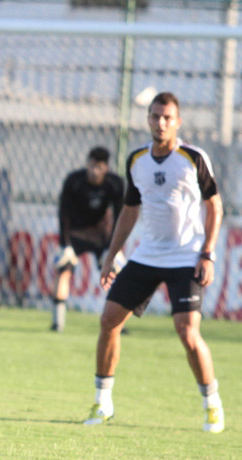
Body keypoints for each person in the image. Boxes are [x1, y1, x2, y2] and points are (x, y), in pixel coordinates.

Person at [83, 92, 225, 433]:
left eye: (167, 118)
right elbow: (130, 211)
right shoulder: (136, 161)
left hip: (186, 257)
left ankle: (212, 404)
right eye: (155, 116)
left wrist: (207, 253)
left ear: (177, 122)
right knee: (108, 322)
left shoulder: (193, 158)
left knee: (187, 332)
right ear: (147, 119)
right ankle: (103, 403)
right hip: (147, 256)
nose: (160, 123)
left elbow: (215, 207)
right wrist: (111, 255)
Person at [51, 146, 125, 332]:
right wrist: (64, 245)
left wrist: (113, 248)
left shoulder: (115, 184)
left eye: (99, 167)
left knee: (115, 274)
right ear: (87, 164)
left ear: (106, 168)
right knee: (63, 269)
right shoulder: (74, 181)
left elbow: (120, 217)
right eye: (91, 166)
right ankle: (57, 323)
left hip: (101, 236)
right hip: (76, 234)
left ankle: (118, 324)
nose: (94, 171)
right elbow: (63, 213)